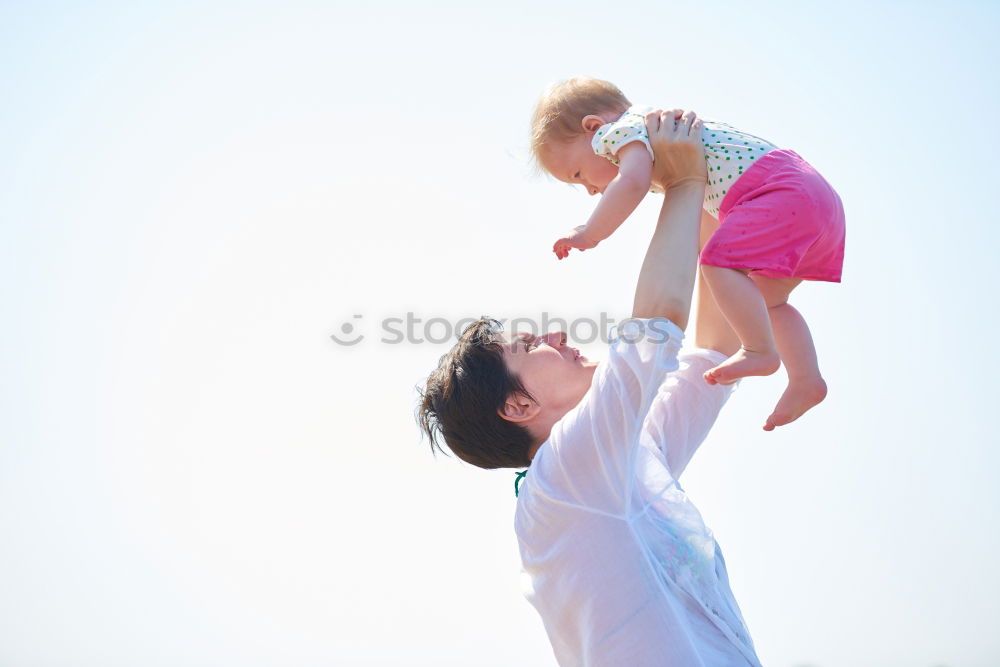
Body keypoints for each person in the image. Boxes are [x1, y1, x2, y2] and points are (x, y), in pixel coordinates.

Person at [419, 110, 763, 666]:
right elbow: (655, 328)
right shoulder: (562, 479)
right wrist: (682, 180)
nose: (555, 333)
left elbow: (713, 354)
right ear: (517, 405)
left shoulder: (620, 464)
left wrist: (695, 195)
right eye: (529, 346)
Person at [533, 76, 846, 431]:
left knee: (716, 263)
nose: (590, 190)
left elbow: (631, 183)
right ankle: (806, 378)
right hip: (813, 199)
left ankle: (760, 350)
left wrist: (590, 232)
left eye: (577, 174)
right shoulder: (654, 128)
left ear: (593, 127)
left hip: (778, 192)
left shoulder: (618, 132)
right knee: (763, 300)